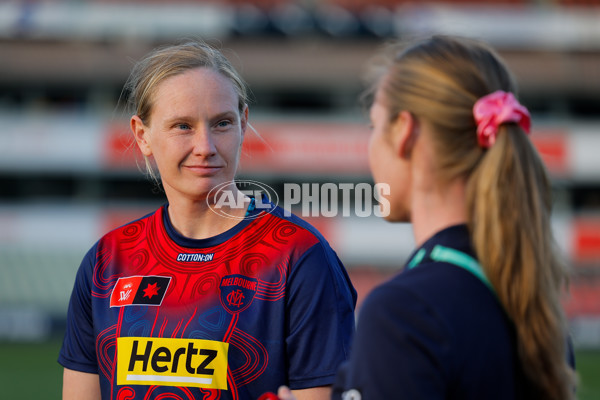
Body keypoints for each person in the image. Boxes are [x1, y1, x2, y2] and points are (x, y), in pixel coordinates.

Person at [280, 35, 577, 400]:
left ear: (405, 131)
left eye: (374, 126)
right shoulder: (531, 304)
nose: (371, 146)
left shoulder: (405, 314)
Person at [58, 41, 356, 400]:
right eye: (182, 126)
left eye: (222, 123)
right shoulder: (108, 260)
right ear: (142, 135)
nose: (205, 146)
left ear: (243, 124)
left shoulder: (298, 255)